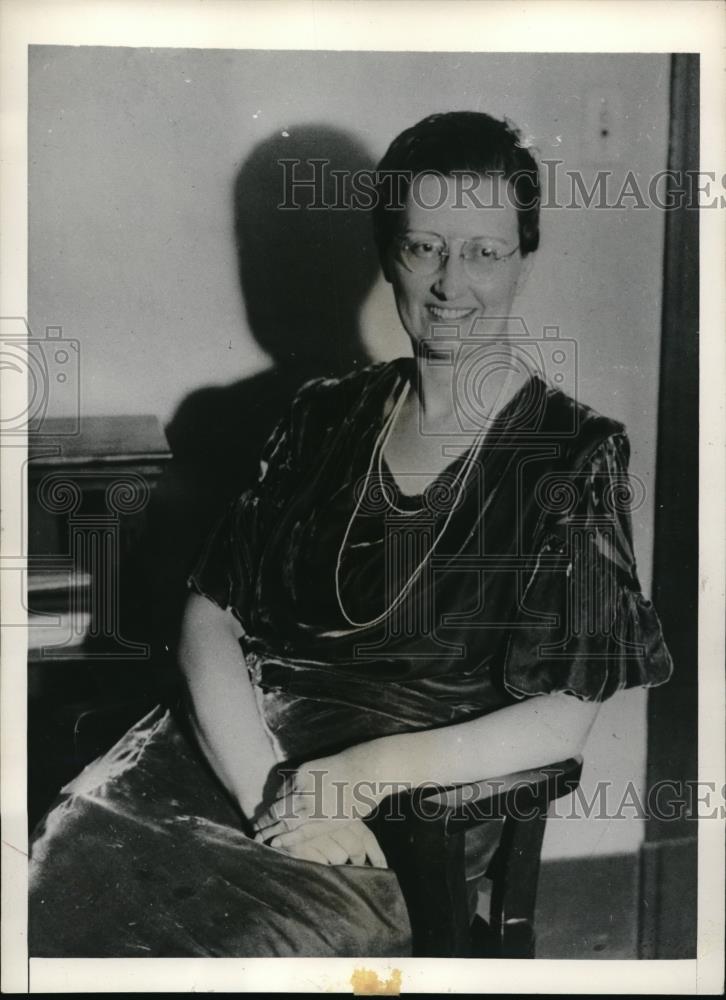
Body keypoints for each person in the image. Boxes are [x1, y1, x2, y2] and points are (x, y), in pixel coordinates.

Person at [29, 111, 673, 957]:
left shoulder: (571, 454)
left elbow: (562, 717)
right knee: (43, 892)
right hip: (226, 766)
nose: (451, 283)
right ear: (386, 256)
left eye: (483, 251)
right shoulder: (323, 415)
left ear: (524, 259)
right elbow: (207, 618)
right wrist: (273, 789)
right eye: (423, 247)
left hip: (405, 820)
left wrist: (355, 779)